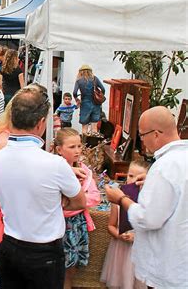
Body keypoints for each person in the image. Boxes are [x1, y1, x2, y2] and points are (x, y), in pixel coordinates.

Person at [0, 89, 87, 288]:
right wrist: (55, 201)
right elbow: (79, 202)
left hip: (9, 245)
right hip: (43, 252)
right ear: (41, 123)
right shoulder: (55, 164)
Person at [106, 106, 188, 288]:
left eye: (143, 135)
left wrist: (121, 198)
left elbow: (148, 218)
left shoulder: (164, 166)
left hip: (168, 265)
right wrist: (151, 182)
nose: (142, 141)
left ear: (157, 134)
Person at [0, 84, 48, 289]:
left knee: (2, 273)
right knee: (0, 274)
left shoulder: (6, 136)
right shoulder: (7, 140)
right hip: (3, 217)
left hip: (3, 215)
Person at [54, 128, 101, 289]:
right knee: (55, 265)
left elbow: (95, 196)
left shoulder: (84, 171)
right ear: (59, 149)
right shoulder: (52, 170)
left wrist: (71, 201)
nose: (77, 151)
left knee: (71, 267)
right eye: (72, 147)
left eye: (79, 146)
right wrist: (76, 200)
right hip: (56, 223)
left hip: (76, 223)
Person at [100, 160, 150, 289]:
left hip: (140, 250)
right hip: (120, 249)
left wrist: (137, 237)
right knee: (121, 280)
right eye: (130, 175)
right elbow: (111, 225)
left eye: (138, 177)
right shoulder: (117, 197)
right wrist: (119, 235)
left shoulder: (149, 201)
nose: (132, 180)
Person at [73, 64, 105, 135]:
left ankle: (84, 144)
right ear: (90, 71)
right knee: (94, 127)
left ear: (80, 72)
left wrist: (77, 99)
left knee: (84, 127)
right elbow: (103, 89)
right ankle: (93, 144)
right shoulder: (95, 79)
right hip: (96, 105)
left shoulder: (79, 81)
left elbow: (74, 92)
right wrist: (99, 97)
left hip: (85, 104)